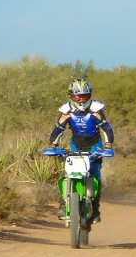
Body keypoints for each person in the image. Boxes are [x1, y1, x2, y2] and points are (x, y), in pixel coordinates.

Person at [47, 78, 115, 222]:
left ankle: (95, 210)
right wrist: (53, 146)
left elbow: (106, 128)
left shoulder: (96, 109)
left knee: (95, 174)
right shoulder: (66, 110)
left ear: (90, 95)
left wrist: (108, 146)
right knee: (68, 172)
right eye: (78, 96)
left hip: (95, 145)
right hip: (76, 144)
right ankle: (64, 203)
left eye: (84, 96)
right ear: (72, 95)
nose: (81, 100)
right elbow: (59, 128)